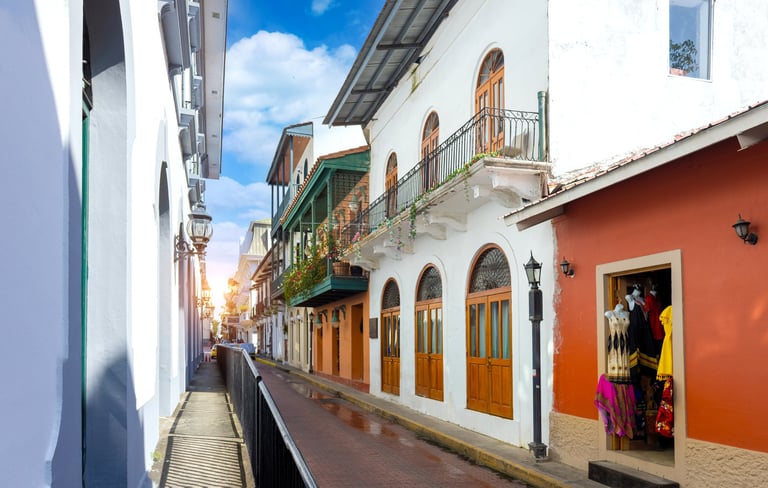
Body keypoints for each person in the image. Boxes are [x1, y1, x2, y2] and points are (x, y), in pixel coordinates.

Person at [605, 303, 631, 383]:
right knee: (615, 363)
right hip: (614, 342)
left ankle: (624, 387)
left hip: (625, 342)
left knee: (625, 363)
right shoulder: (609, 313)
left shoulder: (627, 314)